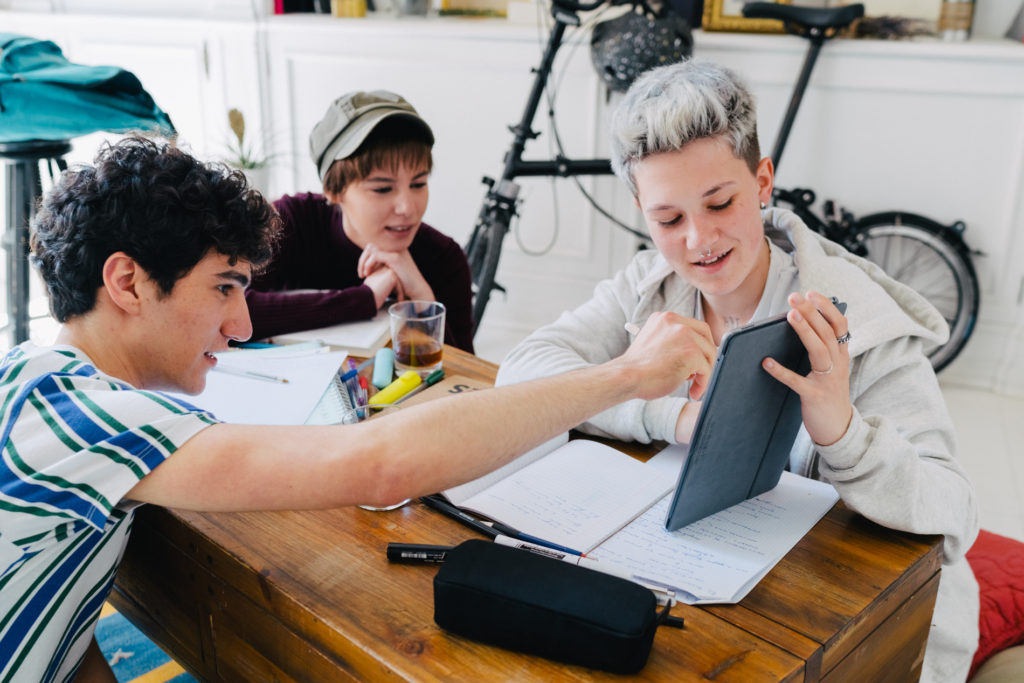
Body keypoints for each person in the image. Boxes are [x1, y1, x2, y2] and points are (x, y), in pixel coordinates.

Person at [0, 136, 713, 682]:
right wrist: (627, 374)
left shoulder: (54, 385)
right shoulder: (78, 411)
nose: (243, 324)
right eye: (223, 287)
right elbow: (381, 465)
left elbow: (63, 631)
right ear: (126, 281)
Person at [495, 58, 979, 682]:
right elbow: (523, 370)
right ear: (641, 208)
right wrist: (668, 413)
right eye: (668, 219)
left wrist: (843, 433)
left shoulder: (853, 315)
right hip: (704, 598)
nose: (698, 240)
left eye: (720, 202)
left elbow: (955, 511)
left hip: (854, 629)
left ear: (763, 182)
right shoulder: (648, 287)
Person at [245, 90, 475, 352]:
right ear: (333, 191)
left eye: (418, 184)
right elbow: (228, 307)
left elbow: (470, 383)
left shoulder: (445, 259)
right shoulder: (289, 223)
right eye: (382, 189)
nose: (407, 208)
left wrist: (423, 302)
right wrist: (364, 299)